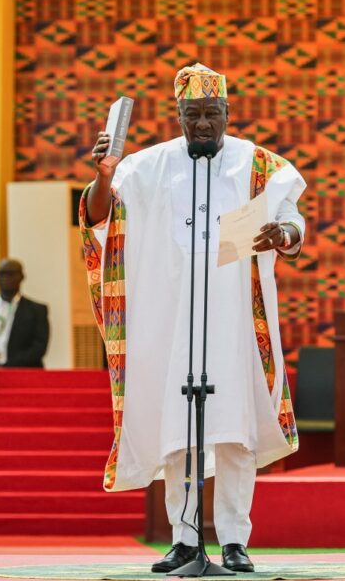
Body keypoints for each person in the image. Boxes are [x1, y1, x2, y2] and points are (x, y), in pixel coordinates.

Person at [80, 64, 306, 573]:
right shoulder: (144, 167)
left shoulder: (258, 164)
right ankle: (184, 538)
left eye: (211, 114)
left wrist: (285, 235)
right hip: (170, 320)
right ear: (177, 115)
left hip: (236, 320)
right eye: (192, 115)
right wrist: (103, 175)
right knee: (179, 429)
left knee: (235, 431)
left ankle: (233, 540)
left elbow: (292, 216)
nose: (202, 125)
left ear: (228, 112)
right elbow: (98, 219)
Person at [0, 258, 49, 375]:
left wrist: (8, 367)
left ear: (21, 277)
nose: (5, 278)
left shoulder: (37, 311)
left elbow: (39, 347)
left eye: (11, 274)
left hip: (24, 374)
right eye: (1, 274)